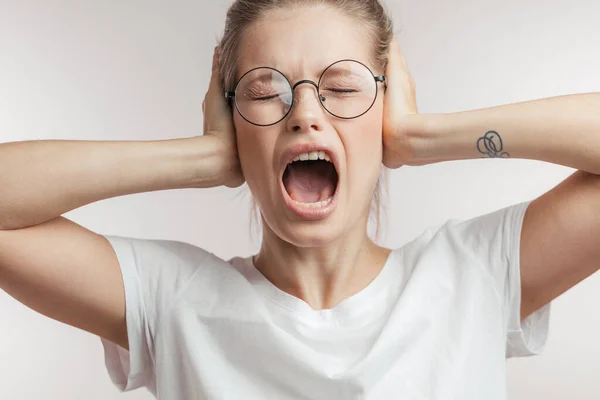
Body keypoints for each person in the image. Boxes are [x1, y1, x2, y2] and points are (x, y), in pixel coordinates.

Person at [1, 0, 599, 399]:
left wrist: (420, 136)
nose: (306, 114)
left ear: (386, 108)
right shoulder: (173, 298)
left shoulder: (476, 272)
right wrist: (206, 156)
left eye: (342, 87)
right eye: (266, 92)